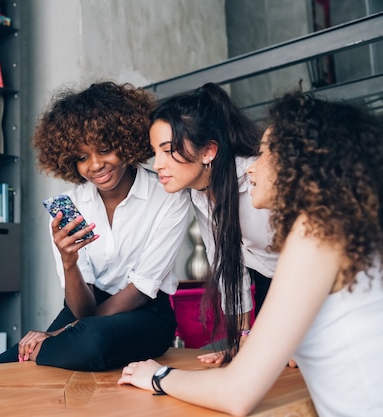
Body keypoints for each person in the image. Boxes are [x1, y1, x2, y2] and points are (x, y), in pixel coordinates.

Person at [118, 90, 383, 416]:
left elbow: (237, 393)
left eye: (266, 153)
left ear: (302, 167)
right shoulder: (337, 232)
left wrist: (158, 376)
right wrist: (248, 340)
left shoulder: (315, 234)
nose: (252, 167)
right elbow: (231, 269)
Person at [0, 81, 191, 371]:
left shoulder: (169, 195)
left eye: (104, 150)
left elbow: (142, 289)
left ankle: (62, 344)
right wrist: (68, 262)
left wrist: (62, 332)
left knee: (89, 342)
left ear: (126, 142)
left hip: (146, 313)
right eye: (81, 157)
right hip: (86, 311)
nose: (95, 165)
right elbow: (82, 309)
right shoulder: (68, 205)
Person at [148, 83, 278, 364]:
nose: (157, 164)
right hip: (274, 288)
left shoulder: (258, 180)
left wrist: (288, 337)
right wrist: (242, 336)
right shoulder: (200, 194)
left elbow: (307, 262)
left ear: (208, 151)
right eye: (154, 152)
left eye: (168, 151)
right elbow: (227, 267)